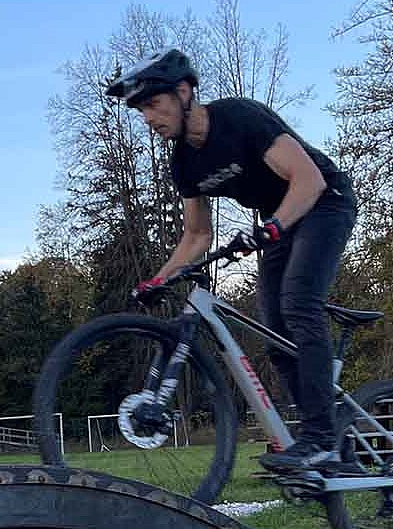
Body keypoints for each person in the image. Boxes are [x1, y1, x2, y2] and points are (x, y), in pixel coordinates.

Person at [106, 48, 361, 478]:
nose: (148, 118)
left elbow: (308, 180)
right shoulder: (184, 162)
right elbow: (197, 235)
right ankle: (339, 450)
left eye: (153, 104)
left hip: (322, 204)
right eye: (141, 111)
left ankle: (318, 440)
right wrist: (158, 280)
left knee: (299, 303)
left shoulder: (240, 119)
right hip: (280, 222)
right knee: (278, 336)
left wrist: (273, 227)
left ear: (184, 93)